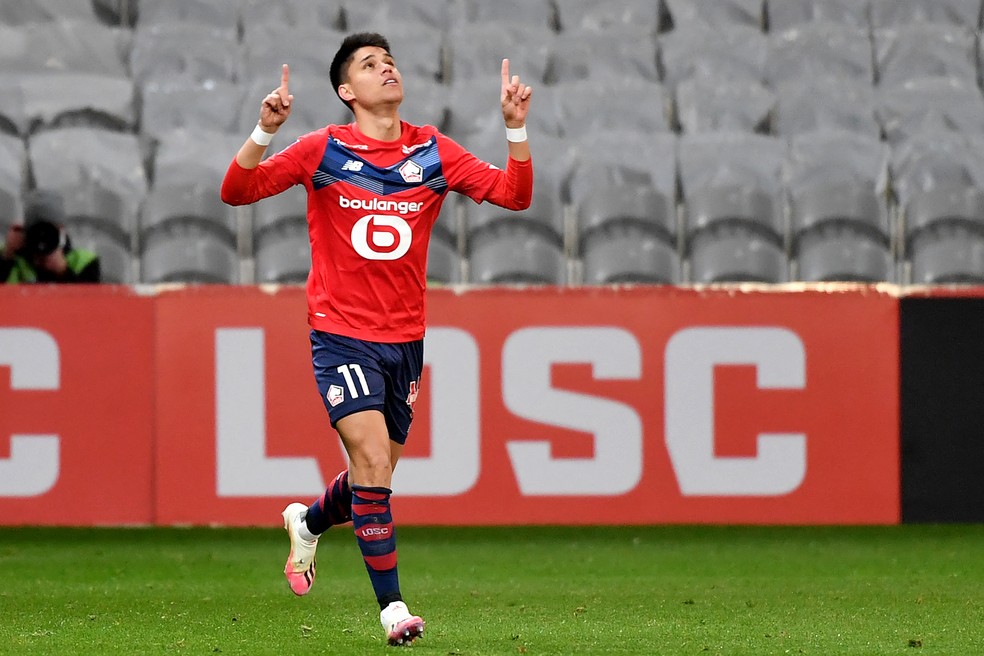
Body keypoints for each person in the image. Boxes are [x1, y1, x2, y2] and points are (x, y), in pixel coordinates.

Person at [220, 32, 533, 646]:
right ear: (347, 90)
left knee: (375, 477)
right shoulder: (322, 149)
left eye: (389, 61)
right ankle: (393, 610)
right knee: (368, 462)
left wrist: (515, 128)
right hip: (340, 334)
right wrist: (264, 131)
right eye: (369, 64)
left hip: (405, 340)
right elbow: (236, 191)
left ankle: (308, 523)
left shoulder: (433, 150)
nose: (386, 69)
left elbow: (514, 196)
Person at [1, 195, 100, 283]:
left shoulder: (84, 262)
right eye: (36, 232)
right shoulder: (10, 257)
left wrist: (63, 271)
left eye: (50, 232)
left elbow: (89, 298)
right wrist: (6, 258)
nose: (42, 238)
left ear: (62, 231)